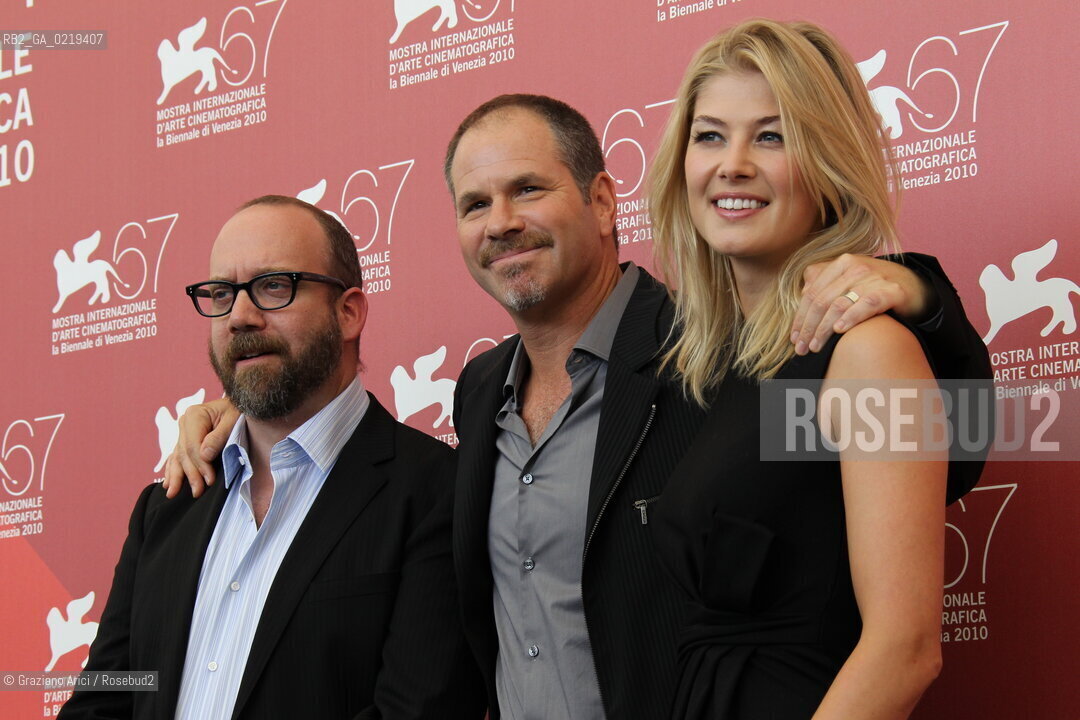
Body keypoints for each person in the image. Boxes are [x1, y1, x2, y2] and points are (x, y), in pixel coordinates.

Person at [164, 96, 989, 718]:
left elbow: (950, 452)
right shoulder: (479, 393)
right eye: (475, 204)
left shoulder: (710, 350)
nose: (503, 223)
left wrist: (919, 293)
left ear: (601, 202)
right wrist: (253, 421)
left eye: (528, 189)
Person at [60, 196, 484, 720]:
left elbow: (419, 710)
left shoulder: (435, 492)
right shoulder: (167, 505)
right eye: (220, 293)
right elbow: (104, 700)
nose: (239, 316)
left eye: (273, 286)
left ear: (348, 312)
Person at [647, 19, 955, 717]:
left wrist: (921, 293)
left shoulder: (870, 352)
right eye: (710, 136)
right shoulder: (720, 365)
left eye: (771, 135)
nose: (732, 164)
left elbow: (905, 647)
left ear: (828, 159)